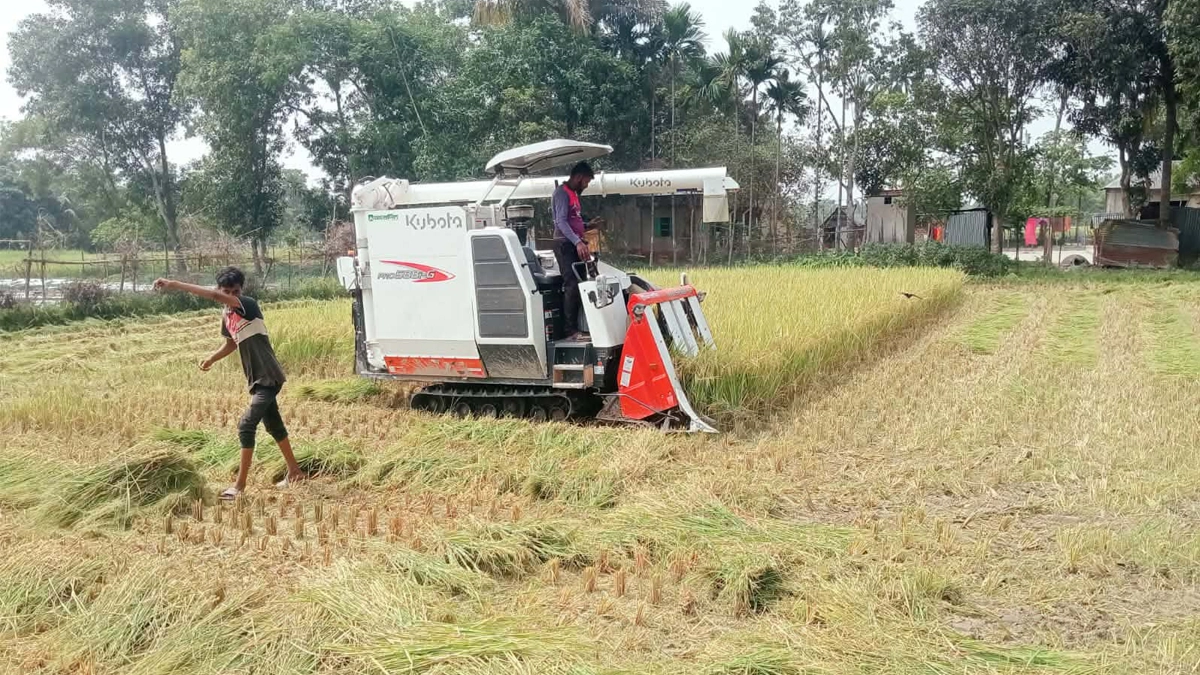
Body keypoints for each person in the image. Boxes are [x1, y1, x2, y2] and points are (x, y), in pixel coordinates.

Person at [153, 267, 305, 500]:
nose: (231, 295)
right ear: (220, 289)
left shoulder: (247, 304)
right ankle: (295, 472)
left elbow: (214, 297)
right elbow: (231, 344)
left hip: (268, 376)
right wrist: (212, 358)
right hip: (256, 378)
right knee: (273, 424)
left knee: (246, 425)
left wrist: (175, 284)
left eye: (235, 291)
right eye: (227, 291)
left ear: (240, 290)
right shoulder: (227, 316)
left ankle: (239, 486)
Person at [553, 161, 595, 339]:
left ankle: (581, 325)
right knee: (572, 285)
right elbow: (561, 222)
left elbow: (573, 221)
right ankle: (569, 330)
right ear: (578, 177)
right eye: (586, 181)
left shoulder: (573, 194)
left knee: (582, 283)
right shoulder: (562, 193)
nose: (586, 185)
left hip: (574, 243)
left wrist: (587, 226)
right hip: (565, 244)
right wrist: (577, 242)